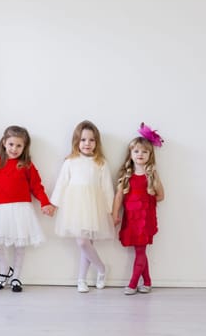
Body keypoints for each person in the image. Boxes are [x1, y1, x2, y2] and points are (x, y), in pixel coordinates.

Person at [0, 125, 55, 293]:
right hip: (1, 209)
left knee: (19, 245)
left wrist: (45, 202)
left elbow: (36, 186)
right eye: (11, 144)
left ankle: (17, 277)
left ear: (24, 147)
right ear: (4, 143)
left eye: (19, 146)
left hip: (21, 209)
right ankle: (4, 268)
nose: (14, 149)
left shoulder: (26, 164)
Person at [50, 120, 115, 293]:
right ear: (77, 141)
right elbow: (61, 184)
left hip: (94, 207)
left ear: (97, 143)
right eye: (84, 140)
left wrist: (111, 212)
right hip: (75, 207)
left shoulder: (101, 162)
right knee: (82, 242)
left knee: (86, 243)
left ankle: (82, 279)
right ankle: (101, 268)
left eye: (92, 140)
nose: (87, 143)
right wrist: (54, 204)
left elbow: (107, 188)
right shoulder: (70, 161)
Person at [112, 123, 165, 295]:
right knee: (139, 250)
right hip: (130, 218)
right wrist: (115, 215)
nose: (140, 154)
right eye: (136, 151)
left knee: (140, 250)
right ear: (131, 154)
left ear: (150, 155)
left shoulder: (152, 174)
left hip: (145, 218)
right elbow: (119, 197)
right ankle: (148, 282)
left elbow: (161, 195)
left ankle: (133, 283)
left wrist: (145, 202)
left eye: (144, 151)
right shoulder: (126, 175)